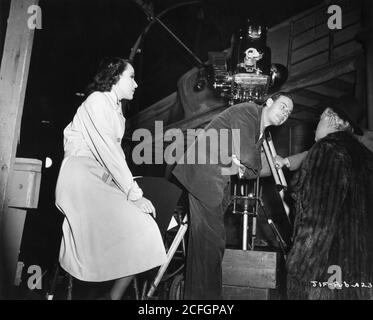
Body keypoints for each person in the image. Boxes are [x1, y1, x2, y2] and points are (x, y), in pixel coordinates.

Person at [55, 57, 167, 300]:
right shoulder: (97, 101)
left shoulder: (116, 110)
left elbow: (109, 158)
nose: (136, 84)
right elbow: (109, 152)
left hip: (97, 175)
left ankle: (112, 297)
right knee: (137, 223)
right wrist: (133, 193)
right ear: (115, 77)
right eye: (131, 77)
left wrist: (127, 188)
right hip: (80, 176)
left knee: (144, 227)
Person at [172, 92, 294, 299]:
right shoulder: (248, 110)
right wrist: (247, 163)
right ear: (270, 102)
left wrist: (245, 165)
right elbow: (250, 160)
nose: (285, 114)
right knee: (213, 244)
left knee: (204, 245)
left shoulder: (260, 132)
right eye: (283, 106)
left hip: (214, 181)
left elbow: (249, 169)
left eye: (289, 113)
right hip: (204, 178)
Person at [285, 95, 373, 299]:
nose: (317, 125)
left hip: (327, 278)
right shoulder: (367, 157)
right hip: (360, 277)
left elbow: (319, 221)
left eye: (320, 118)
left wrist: (297, 269)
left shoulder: (327, 149)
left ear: (331, 118)